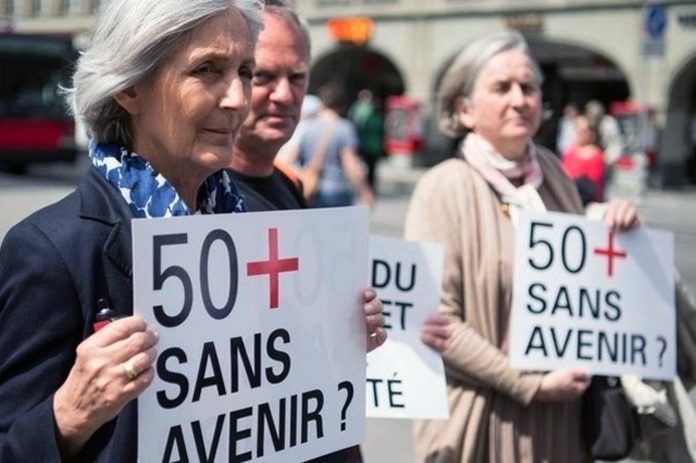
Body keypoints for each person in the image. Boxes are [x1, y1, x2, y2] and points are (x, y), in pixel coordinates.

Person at [0, 1, 384, 461]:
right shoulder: (53, 251)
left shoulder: (257, 227)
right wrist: (69, 414)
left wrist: (337, 341)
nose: (238, 99)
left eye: (245, 72)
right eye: (207, 70)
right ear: (129, 86)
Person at [405, 30, 640, 463]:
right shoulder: (443, 188)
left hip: (563, 426)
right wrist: (529, 385)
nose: (520, 100)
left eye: (529, 87)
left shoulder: (553, 172)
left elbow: (584, 284)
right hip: (481, 423)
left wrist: (617, 228)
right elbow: (436, 321)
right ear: (465, 109)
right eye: (502, 87)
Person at [229, 2, 386, 460]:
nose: (284, 94)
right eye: (263, 76)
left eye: (297, 78)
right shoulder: (193, 196)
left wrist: (352, 324)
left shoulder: (289, 186)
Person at [291, 81, 374, 208]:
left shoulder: (308, 127)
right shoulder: (344, 128)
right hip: (336, 193)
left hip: (310, 190)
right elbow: (350, 164)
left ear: (323, 103)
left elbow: (291, 159)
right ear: (342, 105)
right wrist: (365, 191)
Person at [562, 114, 606, 204]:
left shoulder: (596, 155)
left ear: (591, 134)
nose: (577, 133)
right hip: (568, 198)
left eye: (582, 131)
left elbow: (594, 184)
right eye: (576, 129)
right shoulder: (570, 151)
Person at [348, 88, 386, 191]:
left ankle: (365, 185)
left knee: (364, 166)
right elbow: (383, 133)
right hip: (375, 147)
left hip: (366, 145)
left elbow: (358, 127)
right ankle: (371, 185)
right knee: (372, 168)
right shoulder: (379, 119)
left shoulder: (359, 111)